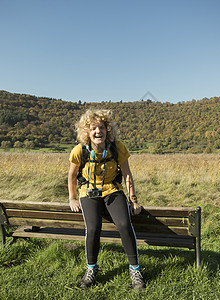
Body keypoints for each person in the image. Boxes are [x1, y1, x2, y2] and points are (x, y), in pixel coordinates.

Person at [68, 109, 146, 290]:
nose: (98, 132)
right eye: (94, 128)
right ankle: (91, 269)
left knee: (125, 224)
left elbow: (127, 175)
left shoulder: (117, 148)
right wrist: (72, 198)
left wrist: (133, 200)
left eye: (101, 127)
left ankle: (135, 270)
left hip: (112, 190)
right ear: (87, 132)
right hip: (89, 192)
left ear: (107, 130)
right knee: (93, 228)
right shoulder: (79, 150)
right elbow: (72, 176)